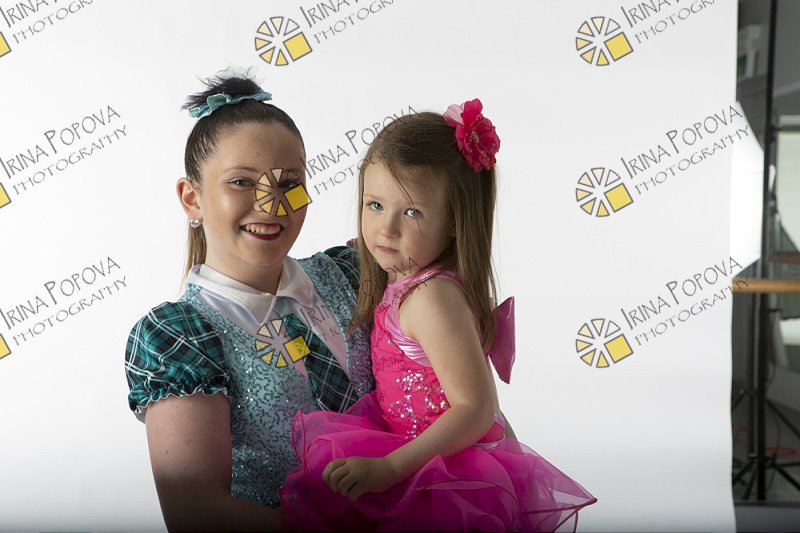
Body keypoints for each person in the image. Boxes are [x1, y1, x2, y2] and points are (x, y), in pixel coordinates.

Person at [280, 100, 597, 531]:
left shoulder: (431, 299)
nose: (387, 229)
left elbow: (475, 409)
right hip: (421, 454)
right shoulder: (409, 276)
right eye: (375, 205)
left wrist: (391, 467)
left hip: (447, 474)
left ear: (452, 222)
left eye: (412, 212)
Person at [123, 72, 373, 531]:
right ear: (192, 198)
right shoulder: (179, 336)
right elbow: (196, 513)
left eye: (289, 182)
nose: (271, 204)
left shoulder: (352, 275)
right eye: (241, 181)